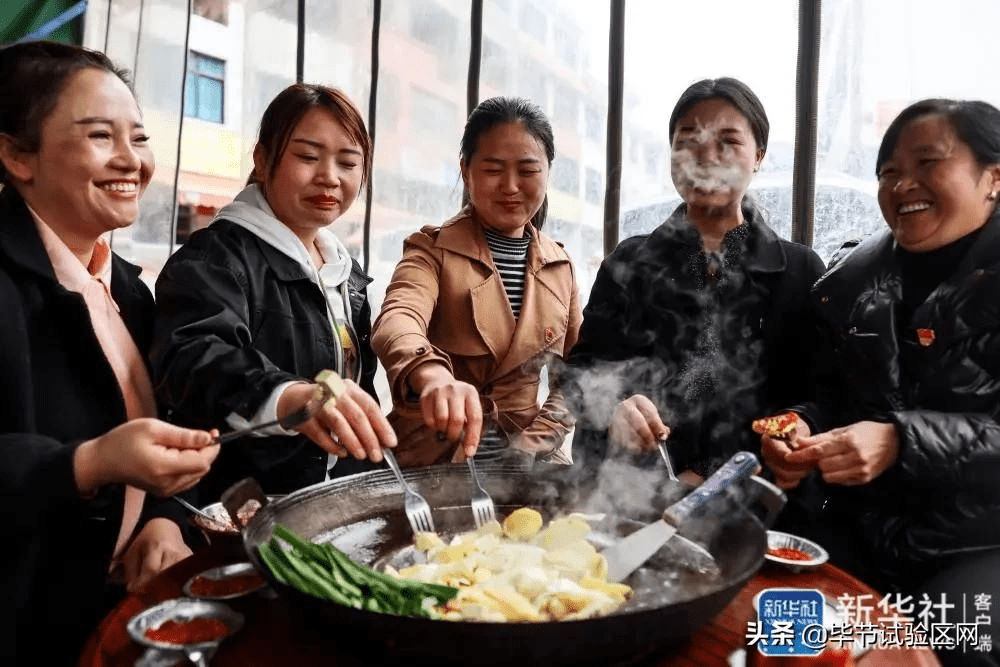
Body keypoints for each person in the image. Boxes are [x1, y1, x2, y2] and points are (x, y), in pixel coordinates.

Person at [0, 41, 220, 664]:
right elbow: (96, 454)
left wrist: (163, 518)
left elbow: (158, 432)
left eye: (140, 138)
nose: (132, 161)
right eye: (101, 136)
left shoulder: (125, 284)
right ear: (16, 154)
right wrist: (90, 462)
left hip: (110, 614)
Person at [760, 98, 1000, 667]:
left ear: (994, 177)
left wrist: (901, 441)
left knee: (944, 646)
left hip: (980, 546)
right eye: (889, 171)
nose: (902, 184)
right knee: (773, 630)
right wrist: (802, 431)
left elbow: (890, 429)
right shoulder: (851, 283)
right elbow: (837, 400)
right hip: (862, 532)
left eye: (927, 162)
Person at [564, 78, 825, 488]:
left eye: (728, 141)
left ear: (758, 155)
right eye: (689, 140)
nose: (706, 156)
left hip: (753, 500)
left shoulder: (800, 270)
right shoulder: (628, 263)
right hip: (631, 500)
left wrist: (712, 470)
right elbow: (579, 374)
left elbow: (817, 397)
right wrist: (612, 406)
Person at [151, 84, 396, 502]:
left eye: (348, 162)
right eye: (307, 156)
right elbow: (192, 355)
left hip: (335, 496)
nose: (329, 177)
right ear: (263, 161)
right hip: (245, 502)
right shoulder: (216, 258)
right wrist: (285, 396)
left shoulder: (344, 270)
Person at [371, 96, 581, 467]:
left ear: (548, 171)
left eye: (528, 170)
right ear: (466, 169)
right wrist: (432, 375)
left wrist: (534, 444)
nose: (511, 186)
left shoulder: (560, 266)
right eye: (493, 169)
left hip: (528, 459)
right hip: (434, 456)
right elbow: (397, 319)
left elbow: (578, 373)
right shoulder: (430, 249)